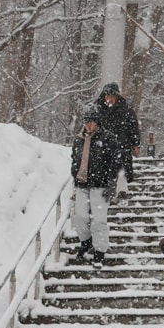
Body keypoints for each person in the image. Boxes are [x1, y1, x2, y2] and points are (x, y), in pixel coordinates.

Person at [70, 104, 121, 262]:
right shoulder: (79, 140)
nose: (89, 125)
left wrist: (111, 184)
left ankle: (100, 251)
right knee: (79, 217)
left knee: (99, 220)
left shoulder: (108, 138)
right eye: (87, 121)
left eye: (92, 122)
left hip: (101, 185)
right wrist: (75, 173)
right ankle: (85, 242)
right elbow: (74, 159)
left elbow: (115, 163)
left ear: (98, 122)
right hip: (82, 183)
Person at [95, 82, 141, 202]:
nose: (108, 99)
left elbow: (133, 127)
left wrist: (135, 143)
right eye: (107, 96)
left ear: (116, 96)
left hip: (121, 143)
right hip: (104, 144)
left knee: (121, 168)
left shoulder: (126, 109)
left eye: (111, 96)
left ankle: (122, 191)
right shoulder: (99, 109)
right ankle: (107, 192)